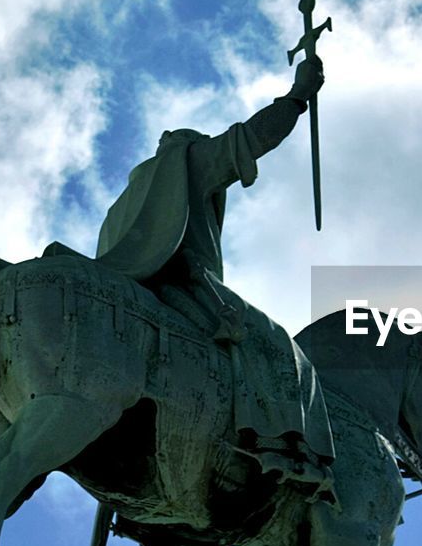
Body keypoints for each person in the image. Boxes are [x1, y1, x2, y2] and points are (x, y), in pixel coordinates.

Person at [93, 55, 334, 490]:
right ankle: (284, 448)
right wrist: (298, 96)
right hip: (185, 287)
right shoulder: (186, 163)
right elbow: (251, 138)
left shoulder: (124, 201)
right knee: (277, 344)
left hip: (131, 292)